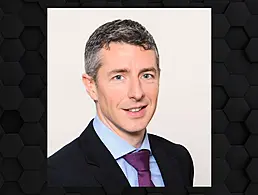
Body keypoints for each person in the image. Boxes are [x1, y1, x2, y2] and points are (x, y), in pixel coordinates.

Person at [48, 19, 194, 194]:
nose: (137, 93)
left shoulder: (179, 159)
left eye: (146, 75)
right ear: (91, 86)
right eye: (119, 77)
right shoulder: (56, 176)